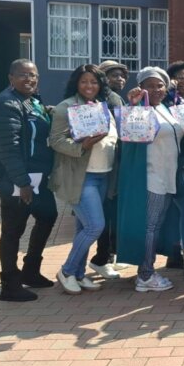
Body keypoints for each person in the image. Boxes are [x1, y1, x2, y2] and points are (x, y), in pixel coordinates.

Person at [0, 59, 57, 302]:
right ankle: (9, 284)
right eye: (23, 75)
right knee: (13, 230)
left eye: (33, 75)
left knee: (48, 215)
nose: (29, 79)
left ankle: (31, 270)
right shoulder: (7, 103)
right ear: (11, 78)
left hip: (38, 177)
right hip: (17, 179)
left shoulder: (32, 100)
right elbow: (9, 149)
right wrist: (22, 182)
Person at [48, 65, 119, 294]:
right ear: (76, 84)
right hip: (81, 176)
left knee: (83, 227)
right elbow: (56, 141)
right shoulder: (66, 107)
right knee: (95, 226)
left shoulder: (102, 107)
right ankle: (67, 271)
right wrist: (82, 146)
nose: (89, 86)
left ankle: (78, 274)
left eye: (94, 82)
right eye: (84, 81)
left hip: (103, 174)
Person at [116, 67, 184, 292]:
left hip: (168, 174)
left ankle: (147, 269)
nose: (156, 89)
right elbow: (129, 134)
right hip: (151, 175)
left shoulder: (166, 108)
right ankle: (145, 275)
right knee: (150, 225)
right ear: (141, 88)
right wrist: (134, 105)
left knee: (156, 224)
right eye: (150, 85)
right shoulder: (140, 111)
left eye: (160, 85)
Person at [88, 60, 128, 280]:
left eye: (122, 75)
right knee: (107, 213)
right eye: (114, 75)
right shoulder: (110, 99)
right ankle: (102, 258)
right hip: (108, 166)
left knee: (110, 212)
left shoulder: (112, 98)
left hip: (108, 163)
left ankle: (108, 255)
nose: (119, 79)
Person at [163, 60, 184, 278]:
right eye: (179, 78)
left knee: (177, 210)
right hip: (172, 163)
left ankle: (174, 253)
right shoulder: (164, 101)